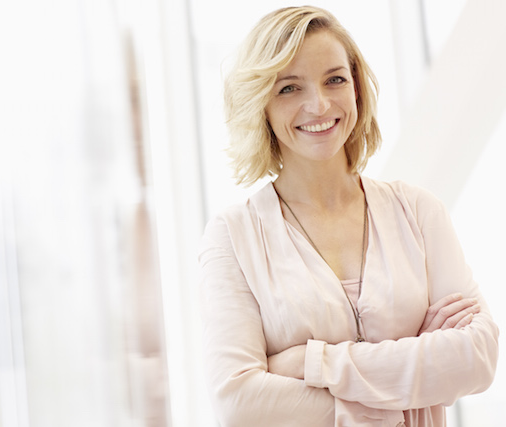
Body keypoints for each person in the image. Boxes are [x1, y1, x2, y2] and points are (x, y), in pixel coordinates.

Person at [198, 6, 499, 426]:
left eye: (334, 79)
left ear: (356, 89)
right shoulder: (233, 237)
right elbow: (238, 402)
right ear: (261, 103)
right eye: (289, 88)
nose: (318, 104)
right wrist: (411, 383)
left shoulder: (417, 211)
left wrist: (312, 363)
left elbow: (478, 358)